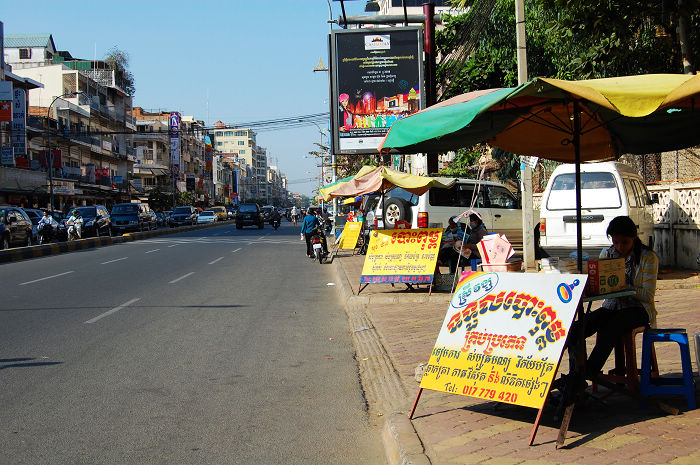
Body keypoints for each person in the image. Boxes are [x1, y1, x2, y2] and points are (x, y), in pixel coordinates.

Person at [568, 215, 659, 380]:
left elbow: (647, 295)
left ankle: (588, 372)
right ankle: (576, 370)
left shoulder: (648, 257)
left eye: (625, 242)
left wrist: (625, 287)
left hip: (639, 310)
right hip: (611, 307)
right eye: (616, 242)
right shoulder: (607, 254)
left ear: (634, 237)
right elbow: (601, 289)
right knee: (578, 328)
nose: (620, 247)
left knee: (610, 328)